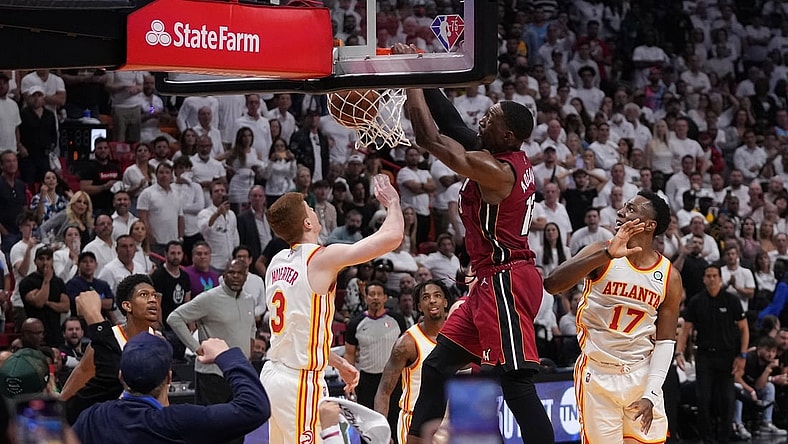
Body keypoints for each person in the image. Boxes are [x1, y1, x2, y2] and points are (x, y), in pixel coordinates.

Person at [395, 48, 552, 443]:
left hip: (507, 281)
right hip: (489, 280)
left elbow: (429, 136)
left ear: (508, 135)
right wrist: (418, 70)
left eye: (491, 118)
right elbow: (449, 119)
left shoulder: (497, 171)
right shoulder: (496, 153)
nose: (482, 119)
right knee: (436, 367)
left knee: (514, 382)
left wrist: (407, 81)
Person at [260, 173, 402, 444]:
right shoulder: (321, 259)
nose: (314, 210)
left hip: (274, 374)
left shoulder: (276, 262)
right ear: (307, 222)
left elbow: (298, 330)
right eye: (310, 208)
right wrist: (393, 203)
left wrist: (337, 362)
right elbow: (392, 237)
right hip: (299, 382)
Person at [544, 191, 682, 443]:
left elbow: (665, 342)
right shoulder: (601, 252)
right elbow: (552, 284)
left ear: (649, 225)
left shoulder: (669, 276)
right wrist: (606, 255)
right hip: (598, 374)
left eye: (631, 209)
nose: (621, 212)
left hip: (640, 373)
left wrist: (651, 393)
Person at [72, 290, 270, 444]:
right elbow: (255, 407)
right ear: (168, 377)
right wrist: (227, 356)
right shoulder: (179, 421)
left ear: (121, 376)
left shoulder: (95, 417)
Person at [166, 259, 255, 433]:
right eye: (231, 272)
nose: (235, 276)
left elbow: (252, 327)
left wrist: (249, 351)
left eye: (240, 273)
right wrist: (196, 348)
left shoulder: (249, 299)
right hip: (212, 375)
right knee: (212, 429)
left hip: (239, 374)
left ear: (246, 276)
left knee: (237, 427)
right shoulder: (209, 298)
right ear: (224, 275)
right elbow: (174, 318)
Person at [60, 273, 159, 424]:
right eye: (144, 295)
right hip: (107, 425)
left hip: (143, 424)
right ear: (127, 305)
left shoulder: (159, 340)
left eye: (154, 295)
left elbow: (162, 395)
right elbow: (73, 388)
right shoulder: (105, 342)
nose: (152, 300)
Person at [676, 264, 750, 443]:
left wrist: (743, 356)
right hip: (705, 356)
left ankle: (725, 437)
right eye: (708, 276)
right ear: (703, 279)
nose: (711, 279)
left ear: (720, 278)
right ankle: (706, 439)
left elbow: (744, 329)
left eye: (714, 276)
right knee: (703, 399)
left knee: (727, 399)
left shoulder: (731, 300)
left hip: (727, 356)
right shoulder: (696, 301)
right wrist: (679, 352)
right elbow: (685, 329)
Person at [374, 279, 450, 444]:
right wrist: (381, 430)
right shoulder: (407, 343)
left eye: (437, 296)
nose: (432, 300)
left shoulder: (457, 337)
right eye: (426, 297)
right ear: (419, 306)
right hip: (415, 422)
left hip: (449, 423)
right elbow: (384, 391)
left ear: (445, 302)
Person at [344, 280, 406, 434]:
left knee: (395, 422)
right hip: (367, 381)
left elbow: (406, 350)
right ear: (366, 298)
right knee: (369, 427)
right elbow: (350, 354)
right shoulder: (355, 323)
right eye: (372, 294)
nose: (376, 298)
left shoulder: (397, 319)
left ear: (385, 297)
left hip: (394, 379)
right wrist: (348, 380)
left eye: (379, 294)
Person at [19, 247, 70, 347]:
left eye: (48, 259)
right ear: (35, 261)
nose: (45, 262)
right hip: (34, 335)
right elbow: (39, 303)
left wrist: (48, 302)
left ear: (52, 261)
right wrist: (46, 281)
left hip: (55, 334)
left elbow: (65, 307)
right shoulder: (27, 282)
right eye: (41, 259)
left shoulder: (58, 282)